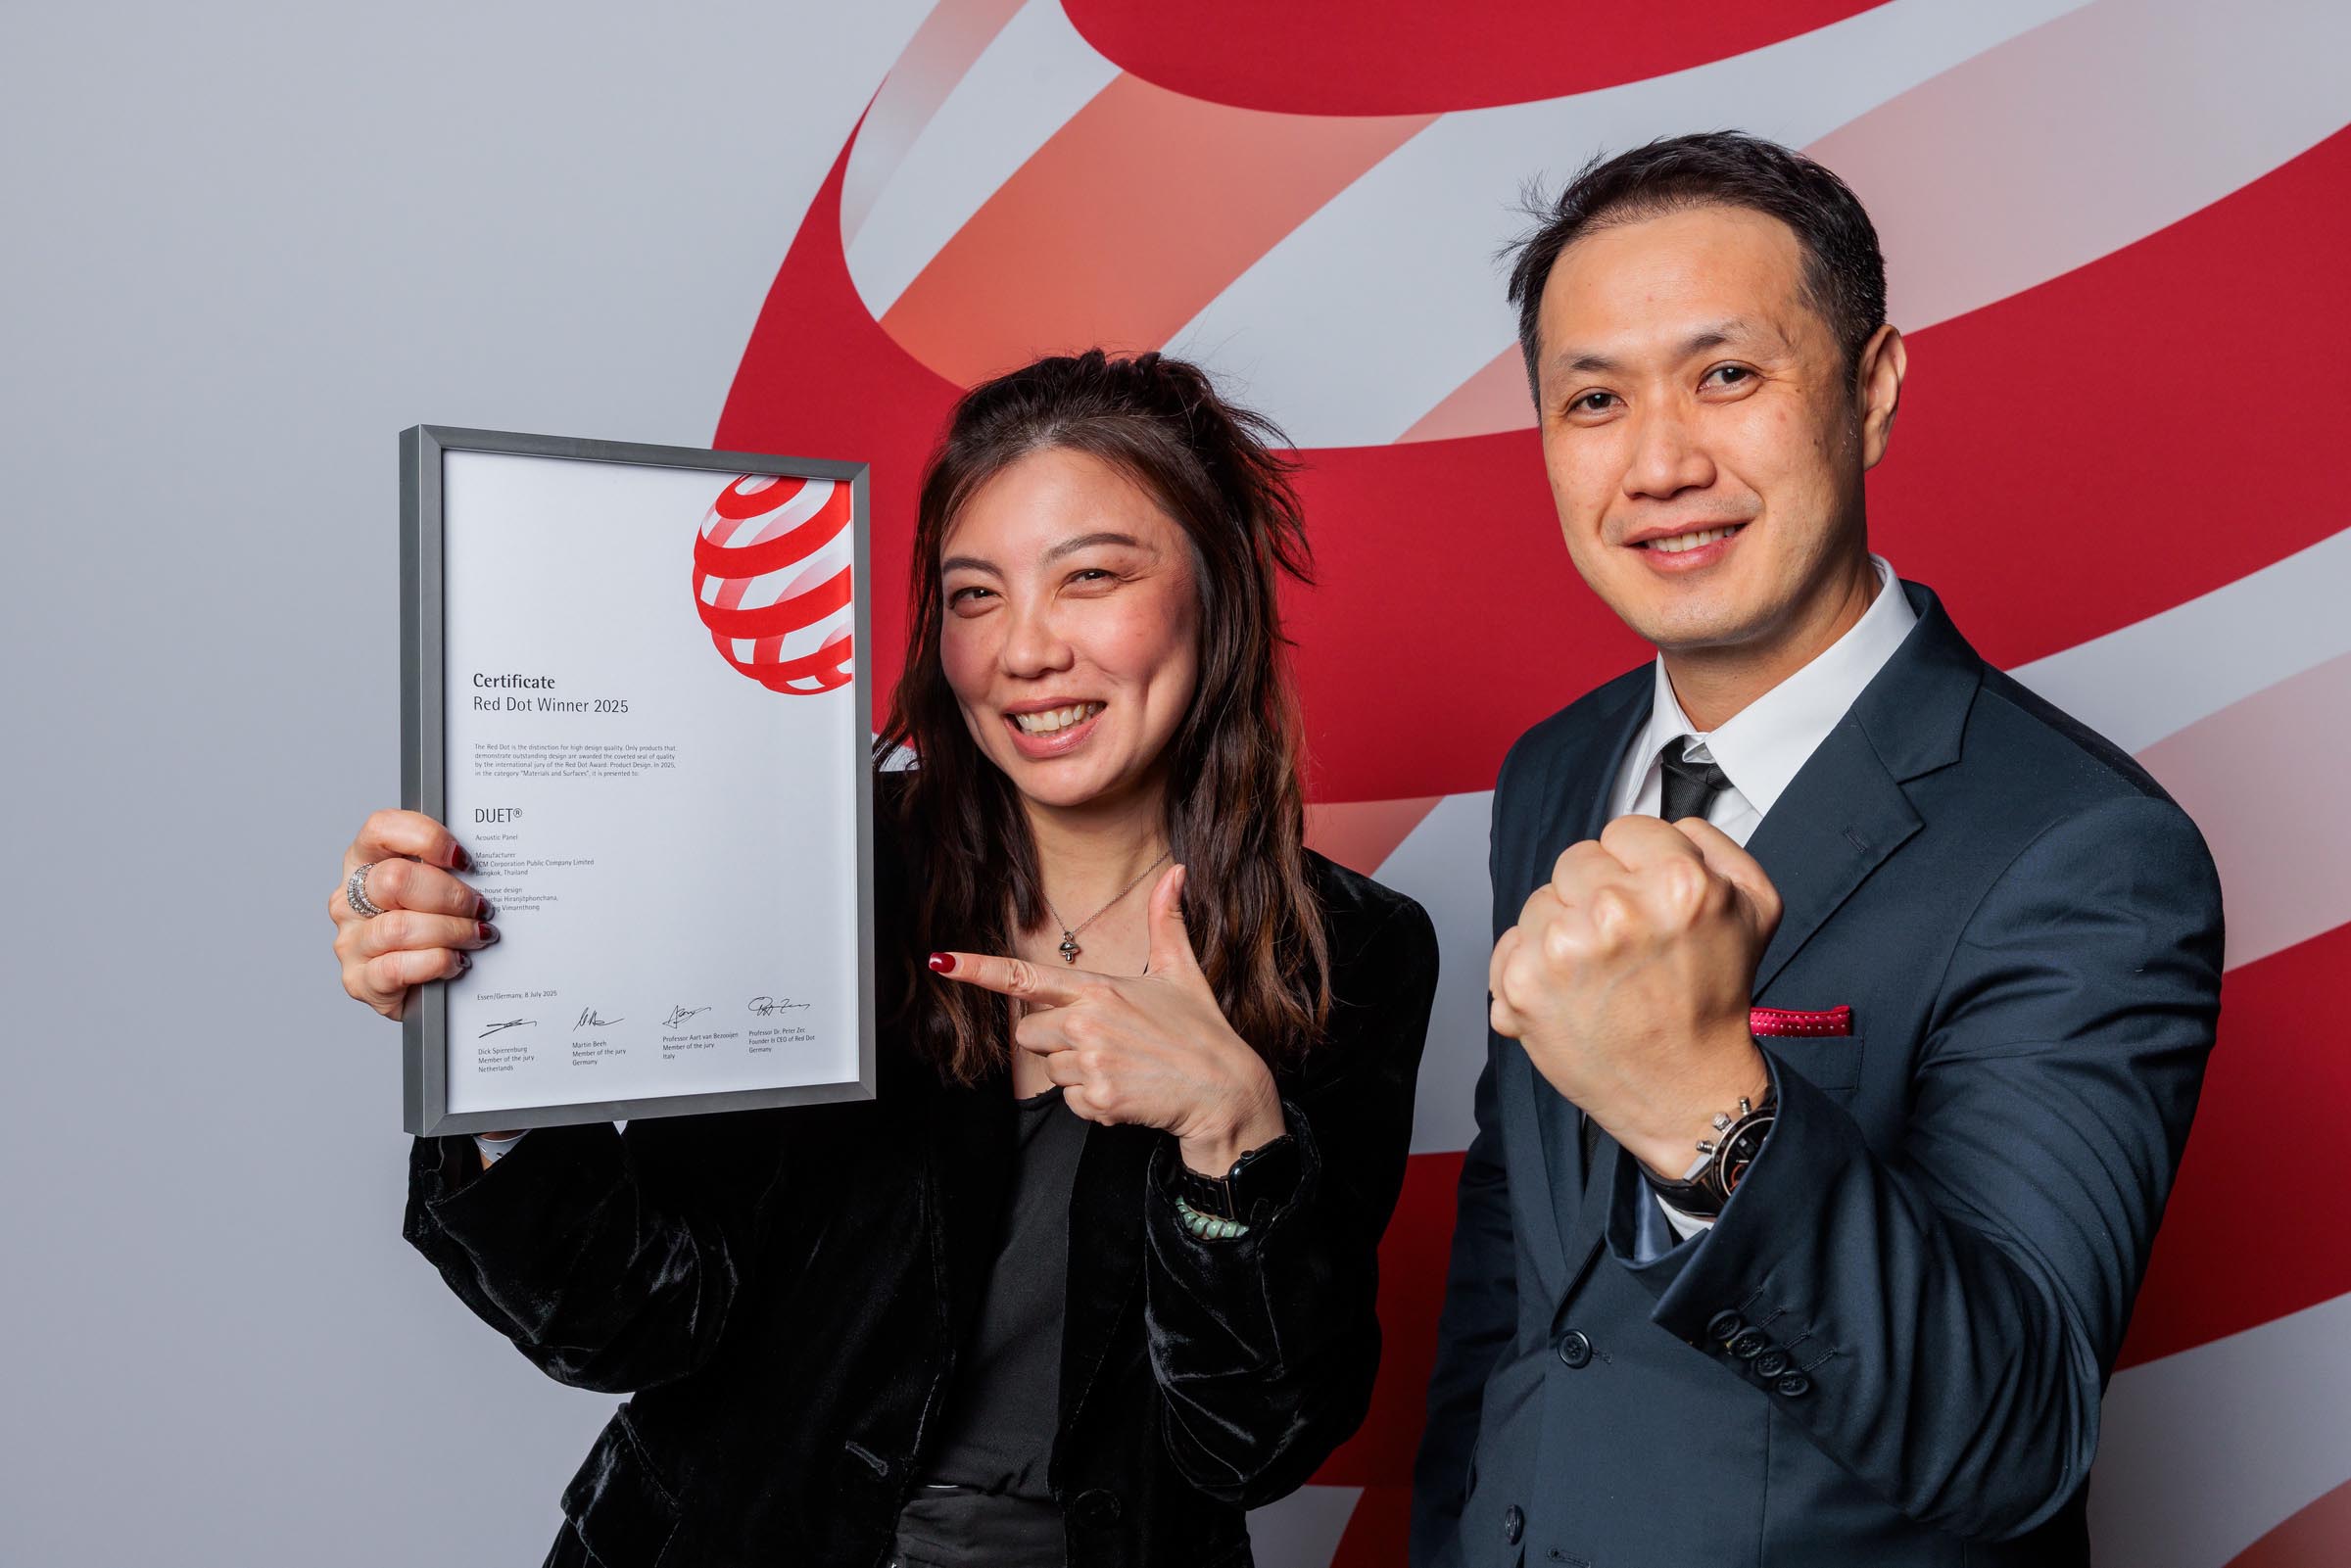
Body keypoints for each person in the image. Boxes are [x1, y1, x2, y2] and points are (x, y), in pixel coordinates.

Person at [329, 350, 1439, 1567]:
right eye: (974, 594)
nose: (1025, 649)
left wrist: (1232, 1136)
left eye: (1090, 576)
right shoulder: (815, 866)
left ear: (1216, 592)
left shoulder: (1348, 949)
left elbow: (1253, 1445)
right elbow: (629, 1317)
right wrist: (485, 1046)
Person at [1410, 132, 2223, 1566]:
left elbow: (2015, 1431)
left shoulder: (2084, 847)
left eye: (1728, 374)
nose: (1661, 462)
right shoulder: (1554, 770)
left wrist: (1710, 1116)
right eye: (1594, 398)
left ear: (1874, 387)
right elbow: (1515, 1262)